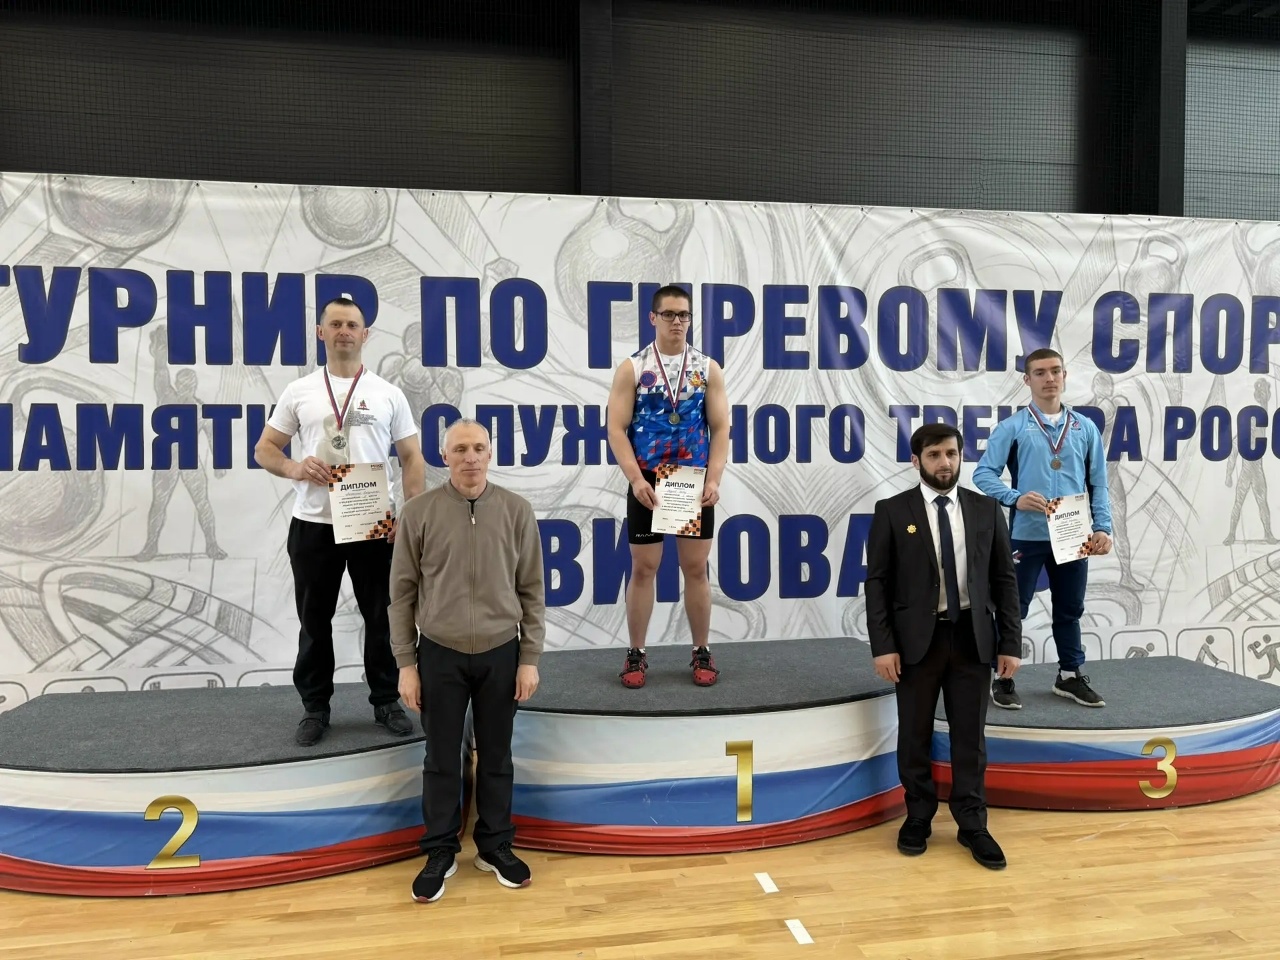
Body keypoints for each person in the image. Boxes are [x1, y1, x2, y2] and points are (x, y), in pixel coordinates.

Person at [254, 296, 426, 746]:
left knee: (384, 618)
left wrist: (412, 515)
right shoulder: (300, 391)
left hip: (374, 523)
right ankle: (315, 707)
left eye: (352, 324)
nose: (344, 331)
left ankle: (387, 701)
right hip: (314, 522)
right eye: (335, 324)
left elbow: (411, 457)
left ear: (365, 334)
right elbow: (265, 449)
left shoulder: (388, 393)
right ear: (321, 332)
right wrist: (295, 467)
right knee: (314, 621)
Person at [390, 418, 545, 903]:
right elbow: (401, 594)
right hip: (439, 653)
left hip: (502, 652)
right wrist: (406, 664)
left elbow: (532, 590)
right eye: (460, 449)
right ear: (444, 457)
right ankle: (440, 849)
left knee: (497, 755)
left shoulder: (517, 511)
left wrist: (529, 658)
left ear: (490, 453)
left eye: (479, 447)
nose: (470, 457)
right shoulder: (418, 513)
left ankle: (495, 846)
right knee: (441, 758)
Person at [866, 423, 1022, 870]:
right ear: (916, 461)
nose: (945, 463)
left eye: (951, 454)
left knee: (970, 738)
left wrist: (1010, 642)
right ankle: (918, 816)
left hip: (973, 638)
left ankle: (972, 823)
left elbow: (1004, 580)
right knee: (914, 734)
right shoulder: (892, 511)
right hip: (916, 642)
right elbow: (877, 583)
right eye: (934, 455)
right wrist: (883, 646)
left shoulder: (986, 509)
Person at [973, 347, 1112, 710]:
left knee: (1070, 608)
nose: (1049, 378)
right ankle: (1002, 678)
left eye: (1055, 371)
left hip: (1073, 534)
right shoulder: (1013, 427)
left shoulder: (1085, 427)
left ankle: (1069, 674)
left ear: (1065, 375)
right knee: (1013, 608)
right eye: (1040, 372)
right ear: (1027, 379)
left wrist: (1103, 527)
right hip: (1026, 534)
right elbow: (983, 474)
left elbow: (1099, 483)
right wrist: (1014, 497)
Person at [605, 285, 729, 688]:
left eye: (684, 315)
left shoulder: (707, 368)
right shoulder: (633, 368)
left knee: (695, 568)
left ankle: (701, 650)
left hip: (692, 482)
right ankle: (636, 653)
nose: (678, 321)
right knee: (644, 568)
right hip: (648, 482)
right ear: (653, 318)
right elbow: (616, 428)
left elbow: (720, 427)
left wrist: (714, 478)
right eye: (670, 314)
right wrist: (634, 479)